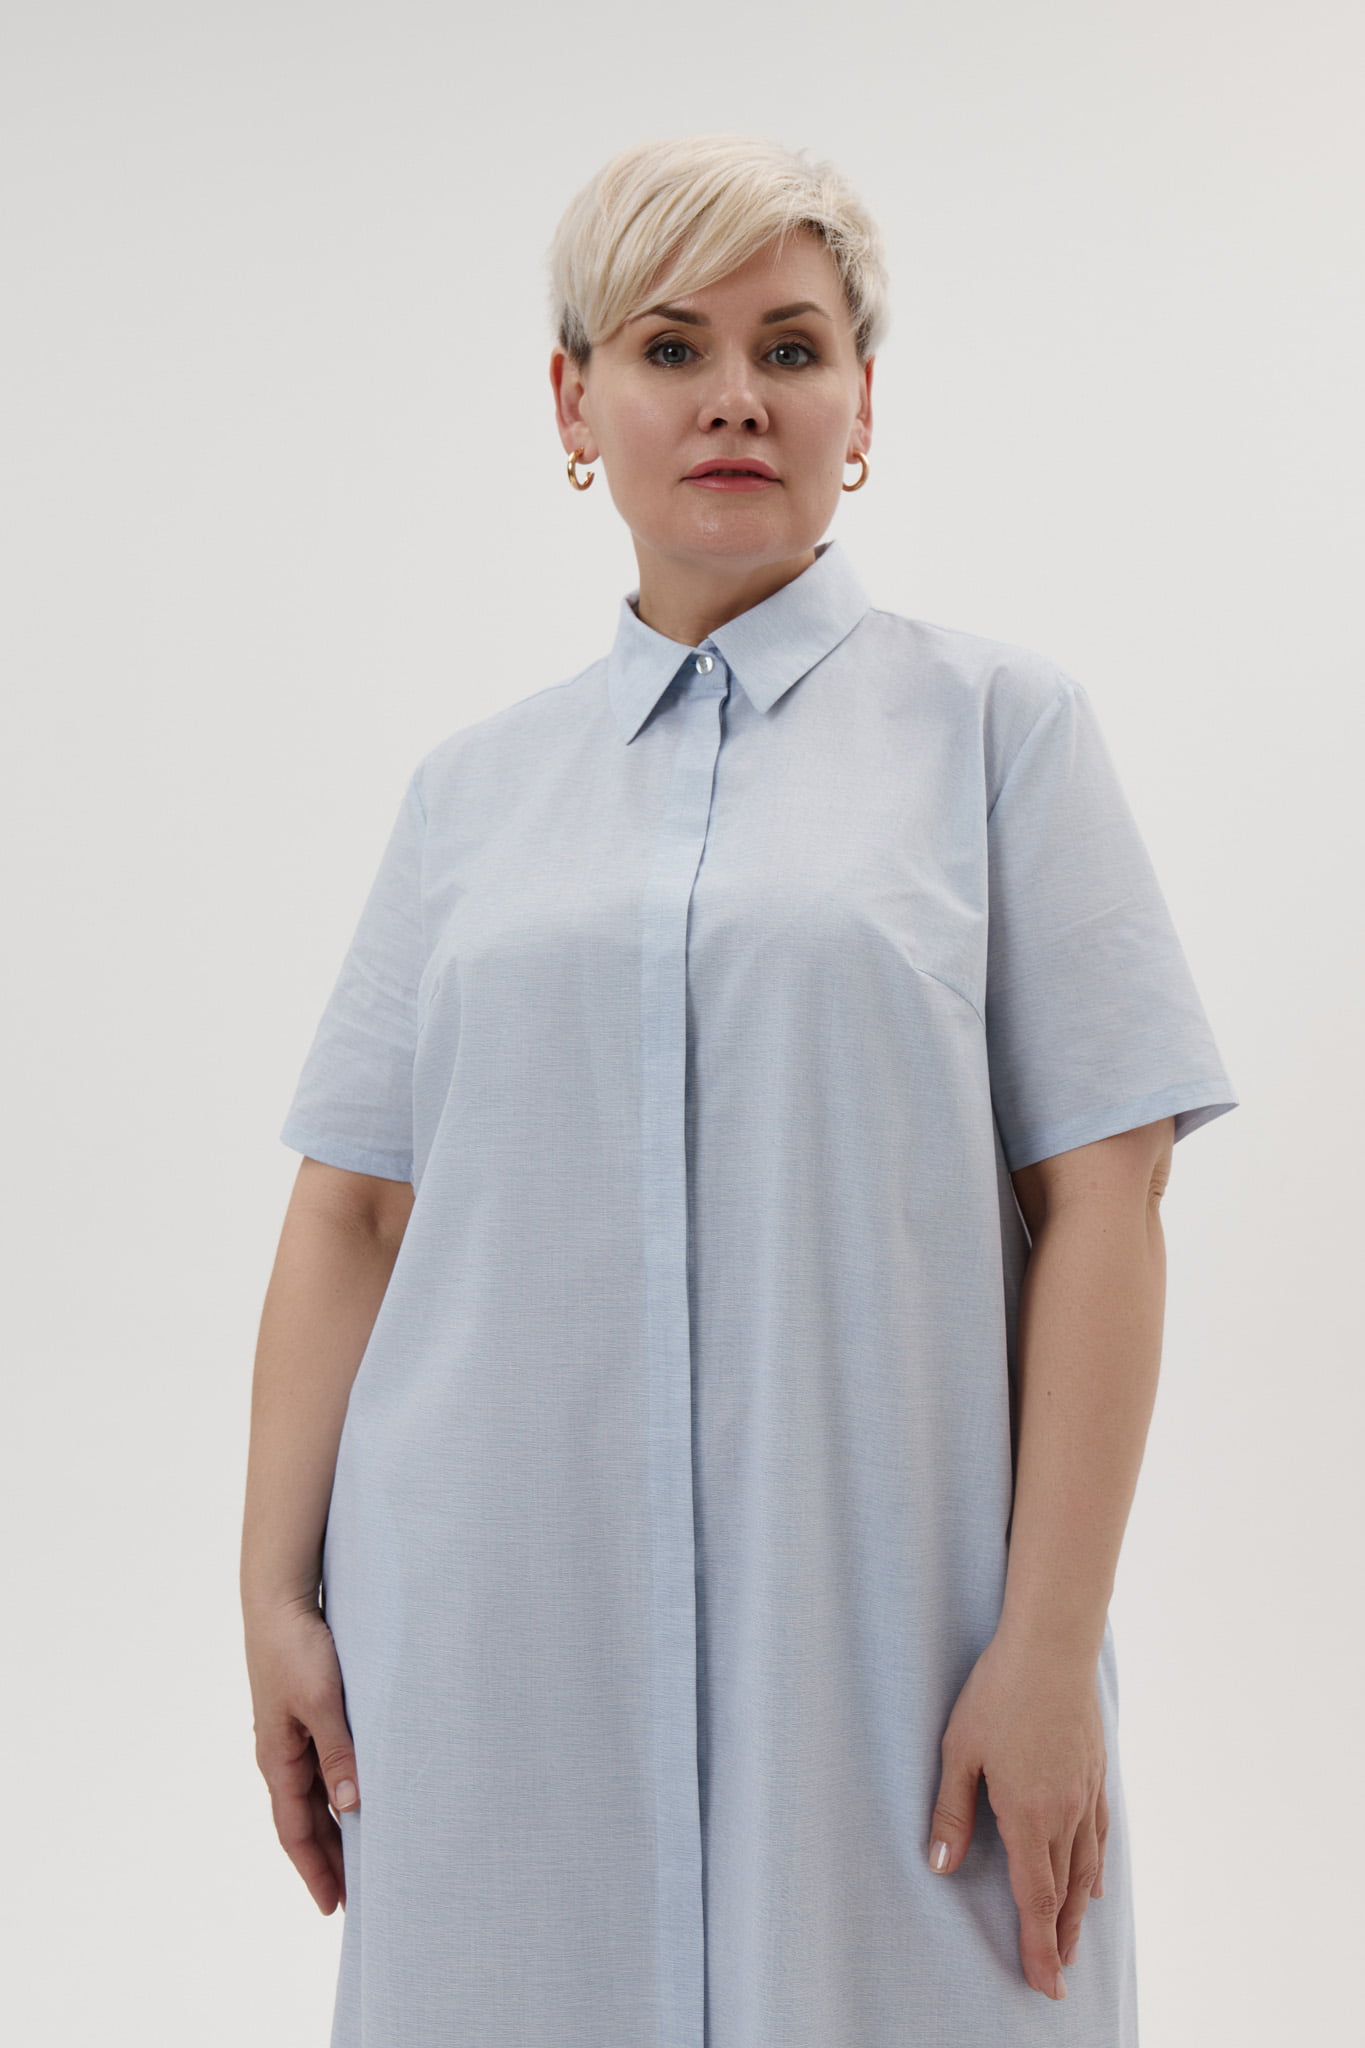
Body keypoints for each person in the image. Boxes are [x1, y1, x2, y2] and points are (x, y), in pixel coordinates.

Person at [240, 132, 1239, 2048]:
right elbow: (353, 1206)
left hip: (880, 1641)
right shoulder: (470, 795)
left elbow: (1107, 1199)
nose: (732, 398)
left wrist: (1044, 1650)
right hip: (489, 1631)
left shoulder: (996, 732)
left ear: (861, 405)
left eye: (789, 348)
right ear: (572, 404)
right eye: (668, 346)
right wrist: (272, 1597)